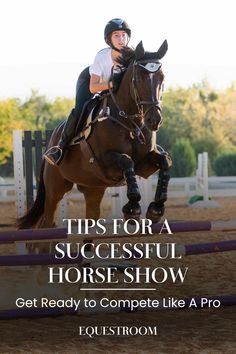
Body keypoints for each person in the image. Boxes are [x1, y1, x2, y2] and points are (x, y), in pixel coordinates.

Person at [44, 18, 131, 166]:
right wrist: (112, 83)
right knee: (80, 110)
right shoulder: (102, 56)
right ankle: (60, 148)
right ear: (109, 39)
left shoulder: (132, 56)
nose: (121, 39)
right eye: (116, 35)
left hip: (112, 89)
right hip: (90, 81)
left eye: (124, 35)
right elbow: (93, 88)